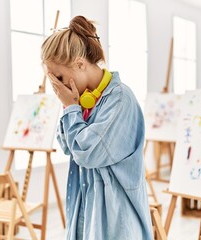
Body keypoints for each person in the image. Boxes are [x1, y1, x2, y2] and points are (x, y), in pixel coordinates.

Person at [41, 16, 153, 240]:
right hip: (87, 211)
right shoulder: (82, 100)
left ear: (80, 64)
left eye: (59, 77)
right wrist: (69, 105)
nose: (58, 87)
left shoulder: (120, 99)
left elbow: (87, 153)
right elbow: (67, 147)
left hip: (115, 220)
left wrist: (71, 108)